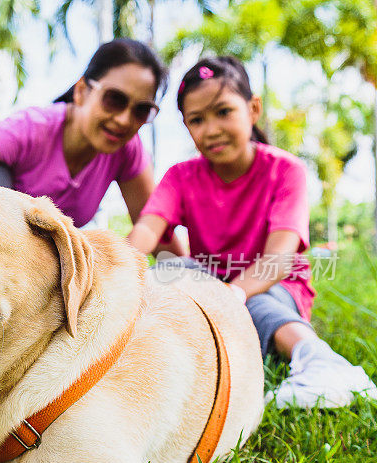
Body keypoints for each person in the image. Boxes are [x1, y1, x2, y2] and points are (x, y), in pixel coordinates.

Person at [127, 56, 377, 408]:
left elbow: (279, 259)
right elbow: (147, 230)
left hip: (273, 285)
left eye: (223, 111)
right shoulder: (181, 176)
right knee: (169, 270)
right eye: (196, 120)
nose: (211, 129)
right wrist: (114, 271)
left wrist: (232, 295)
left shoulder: (284, 170)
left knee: (256, 303)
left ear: (253, 108)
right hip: (214, 283)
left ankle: (320, 361)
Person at [0, 39, 186, 254]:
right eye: (114, 99)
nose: (124, 119)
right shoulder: (30, 129)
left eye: (141, 110)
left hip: (38, 267)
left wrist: (199, 273)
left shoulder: (127, 149)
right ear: (82, 91)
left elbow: (154, 228)